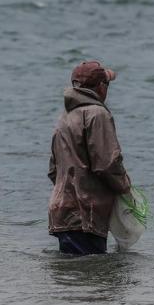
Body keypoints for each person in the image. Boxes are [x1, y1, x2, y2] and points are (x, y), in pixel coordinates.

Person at [47, 60, 131, 255]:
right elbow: (107, 164)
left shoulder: (64, 118)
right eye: (107, 84)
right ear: (100, 87)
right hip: (87, 215)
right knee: (94, 280)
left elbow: (53, 170)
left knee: (73, 279)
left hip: (62, 213)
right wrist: (126, 189)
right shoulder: (98, 114)